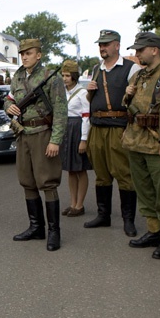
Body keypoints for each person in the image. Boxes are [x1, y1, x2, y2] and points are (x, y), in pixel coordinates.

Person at [4, 39, 68, 251]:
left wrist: (55, 140)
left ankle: (53, 232)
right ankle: (36, 227)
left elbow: (60, 111)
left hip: (43, 133)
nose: (24, 56)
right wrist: (9, 107)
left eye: (29, 53)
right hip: (23, 134)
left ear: (38, 55)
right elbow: (9, 99)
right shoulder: (18, 76)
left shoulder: (52, 77)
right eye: (22, 53)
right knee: (27, 181)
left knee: (47, 182)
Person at [121, 32, 160, 259]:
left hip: (156, 142)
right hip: (134, 141)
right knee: (144, 191)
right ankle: (153, 231)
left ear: (154, 49)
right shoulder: (137, 76)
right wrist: (127, 96)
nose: (136, 54)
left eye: (140, 50)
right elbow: (127, 105)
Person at [84, 29, 142, 236]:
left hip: (119, 127)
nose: (102, 47)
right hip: (97, 127)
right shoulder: (96, 69)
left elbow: (139, 98)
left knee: (124, 174)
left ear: (117, 45)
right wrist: (90, 92)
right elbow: (90, 101)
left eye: (106, 44)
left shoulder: (131, 67)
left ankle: (128, 220)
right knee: (101, 174)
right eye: (100, 44)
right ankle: (103, 215)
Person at [59, 60, 91, 217]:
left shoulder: (83, 93)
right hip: (66, 129)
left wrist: (84, 139)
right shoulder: (63, 92)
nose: (65, 78)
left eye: (67, 76)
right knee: (71, 169)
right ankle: (72, 203)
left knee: (80, 169)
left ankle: (80, 204)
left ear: (74, 76)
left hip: (77, 130)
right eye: (63, 75)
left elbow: (86, 117)